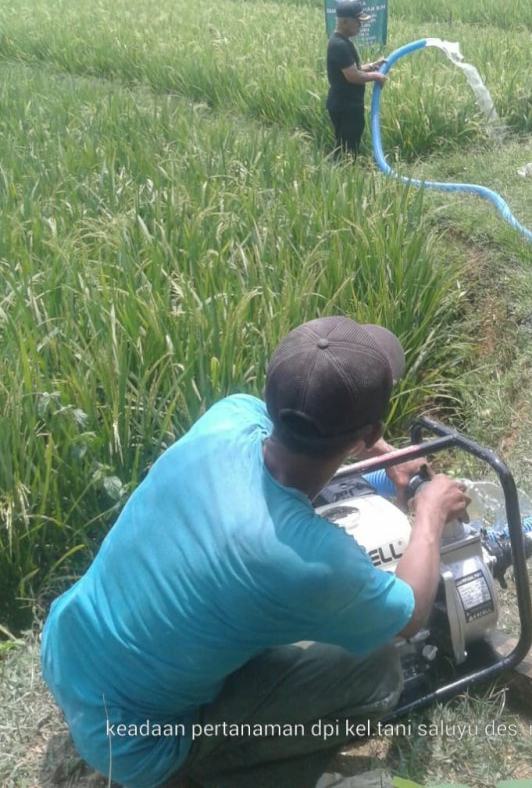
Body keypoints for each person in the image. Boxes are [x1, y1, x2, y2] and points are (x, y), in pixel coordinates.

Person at [41, 316, 470, 787]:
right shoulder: (310, 563)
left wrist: (383, 453)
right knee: (378, 671)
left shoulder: (226, 419)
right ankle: (218, 771)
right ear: (367, 431)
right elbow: (408, 616)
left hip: (66, 651)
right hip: (141, 746)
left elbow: (300, 433)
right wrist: (428, 514)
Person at [326, 0, 387, 158]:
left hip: (347, 104)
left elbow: (352, 70)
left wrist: (372, 66)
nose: (361, 25)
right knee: (346, 147)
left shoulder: (342, 43)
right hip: (344, 106)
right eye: (358, 21)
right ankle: (342, 175)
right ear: (345, 21)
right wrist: (375, 76)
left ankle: (346, 172)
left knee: (349, 143)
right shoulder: (339, 45)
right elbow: (352, 76)